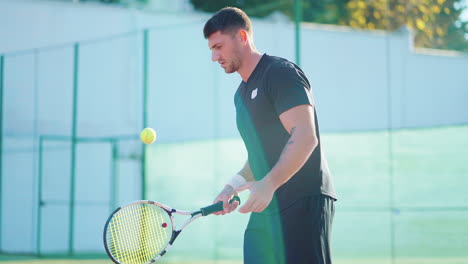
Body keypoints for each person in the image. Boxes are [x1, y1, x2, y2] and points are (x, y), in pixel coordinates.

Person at [203, 7, 337, 264]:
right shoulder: (240, 96)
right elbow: (259, 156)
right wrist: (231, 187)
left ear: (242, 37)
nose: (214, 57)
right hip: (268, 204)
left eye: (218, 47)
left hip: (305, 198)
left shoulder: (279, 73)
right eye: (211, 49)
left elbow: (305, 136)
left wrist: (269, 183)